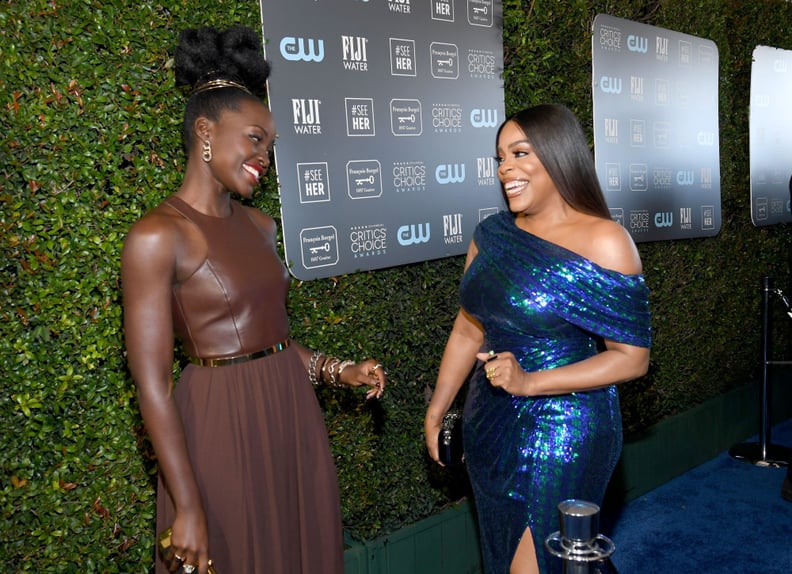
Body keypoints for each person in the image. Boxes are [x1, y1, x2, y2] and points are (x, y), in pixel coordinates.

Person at [121, 26, 386, 574]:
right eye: (255, 139)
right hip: (218, 426)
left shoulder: (262, 226)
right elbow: (151, 387)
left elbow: (270, 340)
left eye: (270, 145)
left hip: (291, 414)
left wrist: (339, 370)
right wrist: (187, 504)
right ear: (205, 132)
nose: (264, 156)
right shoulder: (156, 236)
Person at [424, 104, 651, 574]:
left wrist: (529, 383)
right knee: (505, 557)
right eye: (500, 156)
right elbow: (469, 327)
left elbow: (631, 360)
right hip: (489, 422)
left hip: (566, 424)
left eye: (520, 152)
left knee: (538, 563)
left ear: (558, 156)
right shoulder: (490, 235)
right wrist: (440, 407)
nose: (506, 167)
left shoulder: (605, 241)